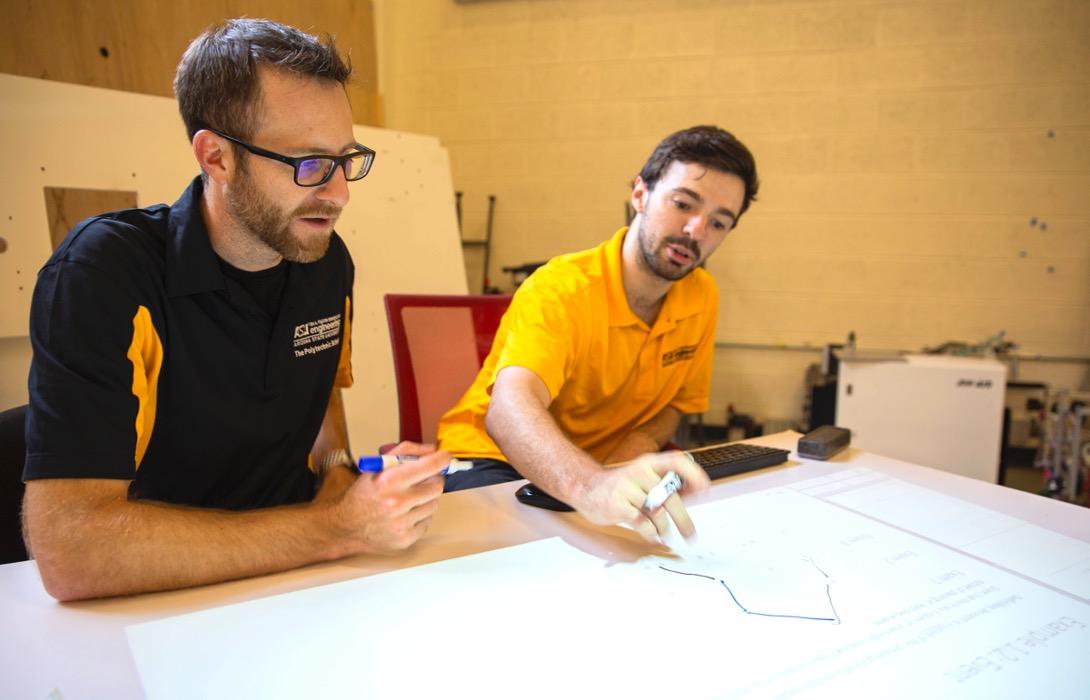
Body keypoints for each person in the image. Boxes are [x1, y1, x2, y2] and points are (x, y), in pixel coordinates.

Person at [22, 19, 449, 602]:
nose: (340, 193)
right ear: (216, 156)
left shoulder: (323, 258)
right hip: (162, 599)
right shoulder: (105, 272)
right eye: (307, 163)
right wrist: (338, 529)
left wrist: (346, 476)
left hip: (303, 580)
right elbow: (73, 553)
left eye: (346, 159)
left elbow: (323, 405)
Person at [437, 125, 759, 542]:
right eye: (683, 204)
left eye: (719, 223)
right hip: (494, 460)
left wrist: (629, 453)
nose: (696, 231)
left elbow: (676, 405)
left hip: (595, 470)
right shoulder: (560, 289)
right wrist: (590, 484)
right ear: (640, 194)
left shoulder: (702, 296)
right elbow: (508, 409)